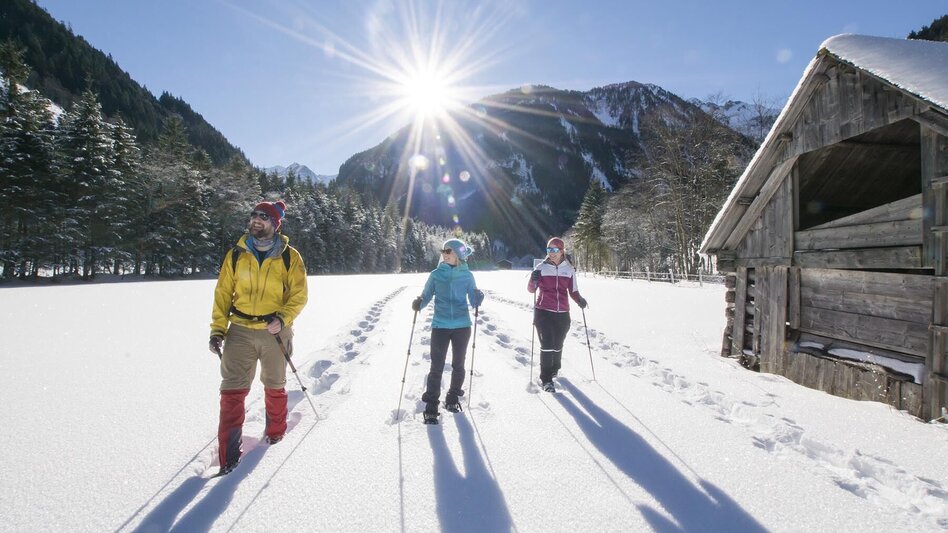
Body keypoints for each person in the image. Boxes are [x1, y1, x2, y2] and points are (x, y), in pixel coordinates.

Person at [208, 200, 308, 475]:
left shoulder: (290, 256)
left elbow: (299, 295)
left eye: (263, 216)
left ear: (275, 224)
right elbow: (222, 293)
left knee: (274, 384)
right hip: (239, 329)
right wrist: (218, 329)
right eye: (253, 215)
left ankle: (275, 436)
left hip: (274, 330)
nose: (255, 220)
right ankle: (228, 459)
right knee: (232, 390)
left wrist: (283, 319)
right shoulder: (236, 254)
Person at [411, 238, 484, 424]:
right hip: (440, 326)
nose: (444, 253)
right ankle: (431, 407)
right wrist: (419, 303)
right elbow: (426, 295)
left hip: (462, 326)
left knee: (459, 365)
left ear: (458, 254)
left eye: (448, 250)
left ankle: (452, 399)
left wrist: (478, 297)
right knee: (436, 367)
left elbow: (474, 301)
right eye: (443, 250)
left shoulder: (467, 276)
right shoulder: (436, 274)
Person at [527, 237, 587, 393]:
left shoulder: (569, 269)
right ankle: (546, 379)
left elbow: (572, 290)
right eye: (549, 250)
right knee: (547, 345)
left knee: (558, 345)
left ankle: (554, 369)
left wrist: (579, 300)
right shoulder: (541, 267)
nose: (551, 253)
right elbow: (531, 289)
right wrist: (533, 280)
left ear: (562, 251)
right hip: (543, 311)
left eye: (554, 250)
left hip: (562, 313)